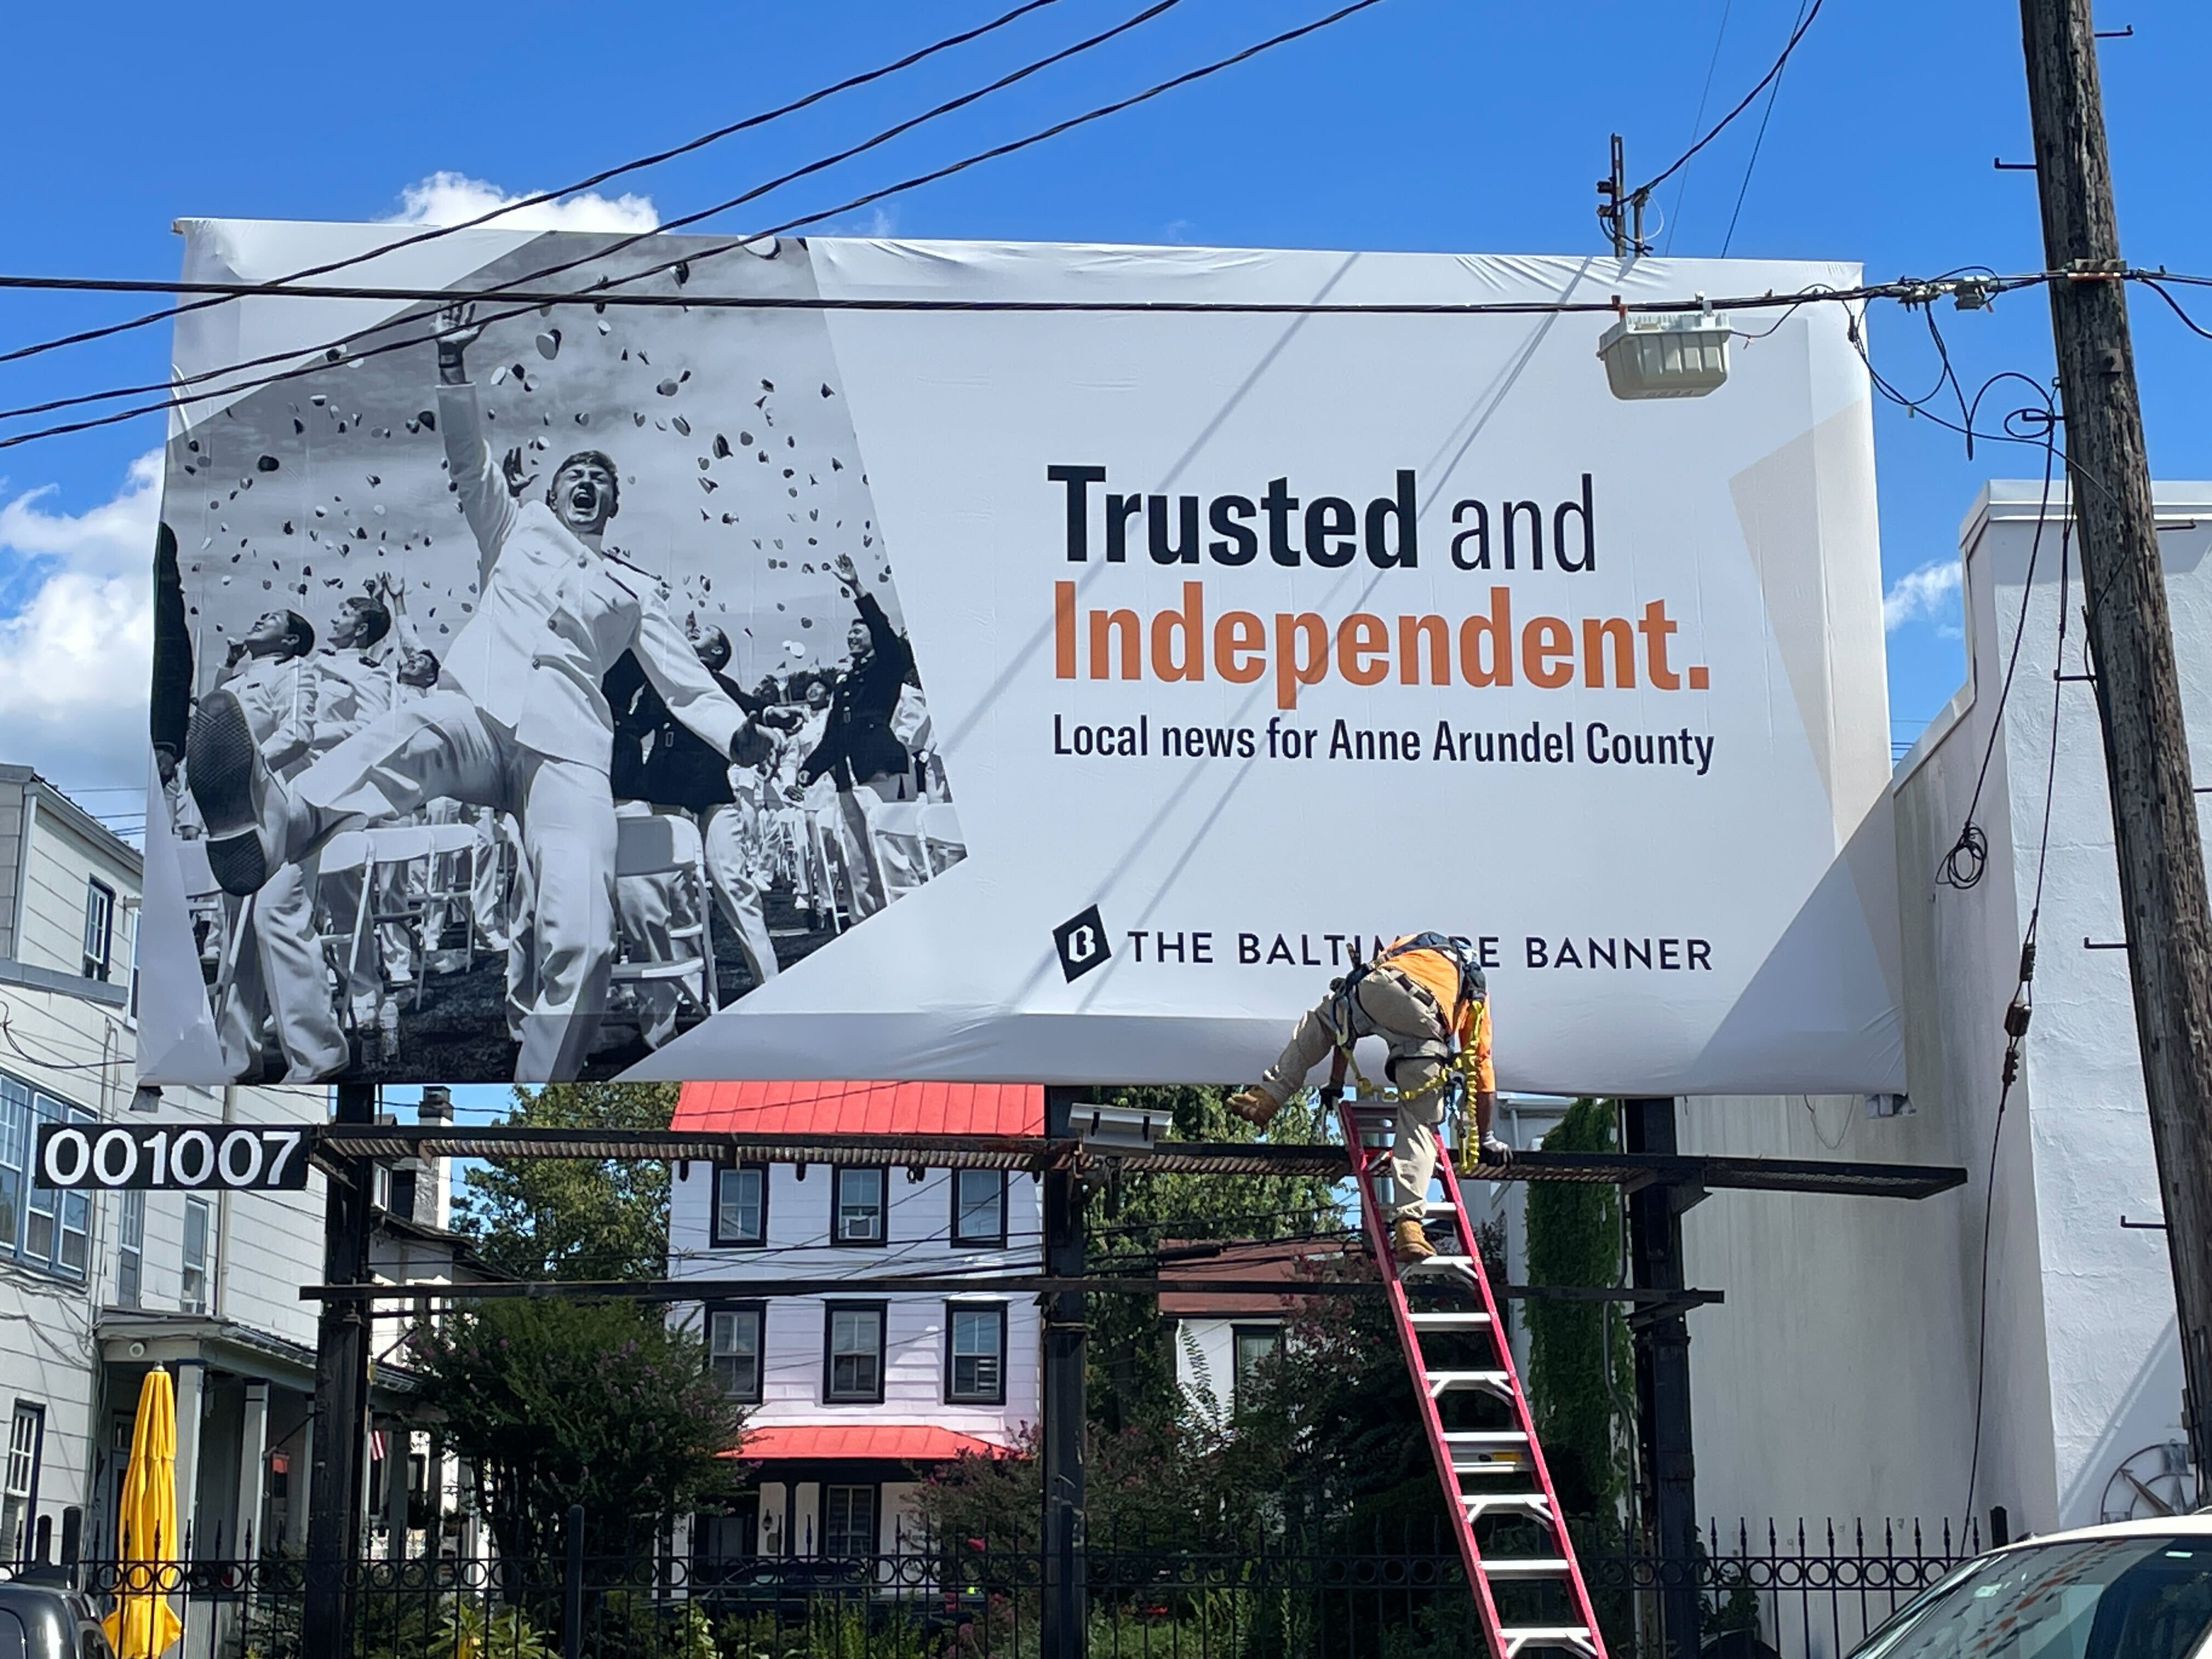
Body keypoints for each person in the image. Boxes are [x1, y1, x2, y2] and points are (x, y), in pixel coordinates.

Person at [184, 300, 769, 1081]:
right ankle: (276, 819)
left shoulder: (637, 587)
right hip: (476, 715)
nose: (586, 484)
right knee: (401, 738)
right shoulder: (516, 528)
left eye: (600, 479)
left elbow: (683, 677)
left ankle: (544, 1081)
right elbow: (470, 465)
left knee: (583, 937)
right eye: (576, 475)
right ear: (555, 496)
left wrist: (739, 733)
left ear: (614, 505)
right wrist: (453, 369)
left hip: (565, 749)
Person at [1228, 934, 1508, 1266]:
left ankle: (1269, 1096)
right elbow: (1480, 1063)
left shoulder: (1413, 943)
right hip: (1426, 1017)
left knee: (1324, 1020)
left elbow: (1345, 1029)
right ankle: (1409, 1227)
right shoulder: (1471, 984)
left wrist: (1335, 1082)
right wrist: (1486, 1138)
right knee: (1418, 1125)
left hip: (1381, 987)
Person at [208, 608, 351, 1082]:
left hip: (286, 807)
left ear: (290, 642)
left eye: (269, 619)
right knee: (239, 936)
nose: (257, 620)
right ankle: (234, 1058)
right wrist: (226, 671)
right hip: (235, 816)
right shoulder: (235, 683)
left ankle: (319, 1055)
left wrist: (245, 767)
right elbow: (209, 736)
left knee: (277, 916)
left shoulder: (296, 671)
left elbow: (296, 734)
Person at [798, 553, 916, 918]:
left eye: (859, 629)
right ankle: (867, 925)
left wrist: (857, 589)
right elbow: (833, 734)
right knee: (859, 859)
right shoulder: (847, 682)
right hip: (848, 777)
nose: (852, 634)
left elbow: (884, 635)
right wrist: (810, 769)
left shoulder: (887, 668)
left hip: (880, 769)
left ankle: (910, 917)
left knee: (892, 853)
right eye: (850, 631)